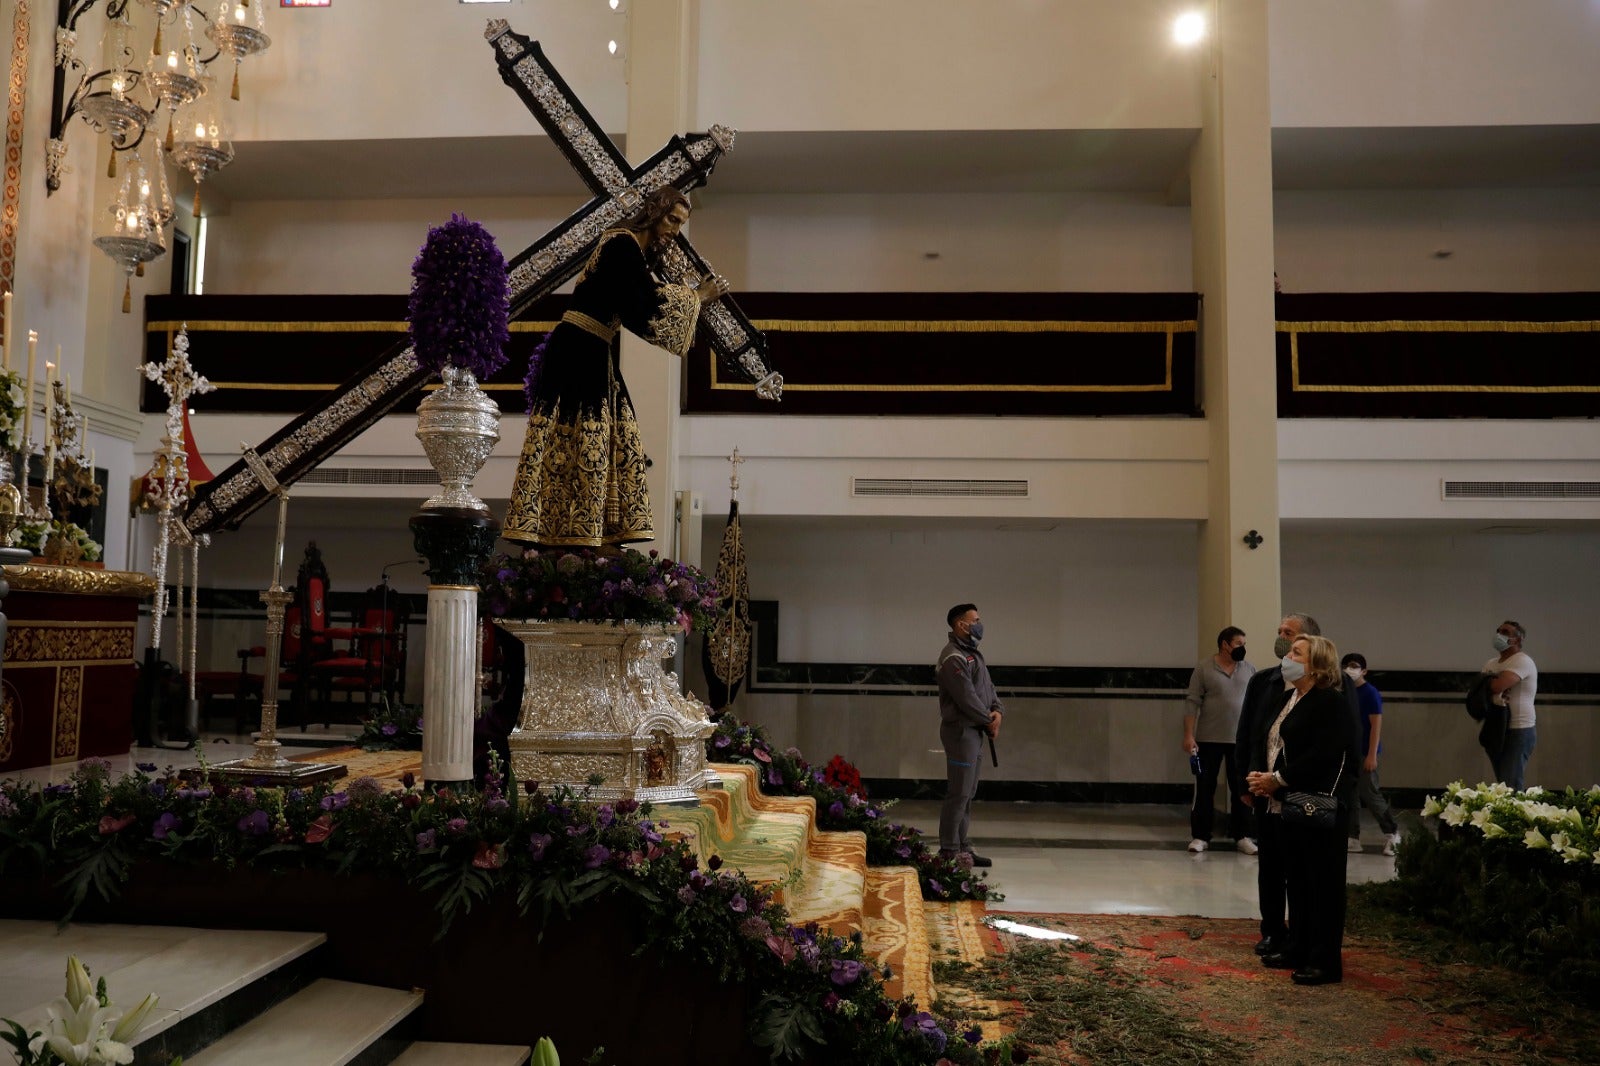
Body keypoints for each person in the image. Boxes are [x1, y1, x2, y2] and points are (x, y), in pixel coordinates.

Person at [503, 187, 730, 548]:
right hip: (579, 347)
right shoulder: (621, 244)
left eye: (681, 224)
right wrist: (697, 297)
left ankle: (591, 524)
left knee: (609, 434)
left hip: (592, 347)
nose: (674, 230)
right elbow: (641, 307)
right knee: (586, 435)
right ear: (654, 212)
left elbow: (640, 297)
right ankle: (574, 525)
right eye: (672, 219)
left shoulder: (630, 252)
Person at [1246, 634, 1361, 986]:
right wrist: (1261, 776)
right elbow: (1273, 741)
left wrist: (1278, 778)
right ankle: (1299, 945)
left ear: (1317, 665)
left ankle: (1324, 961)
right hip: (1289, 804)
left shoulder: (1331, 701)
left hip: (1318, 806)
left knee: (1321, 886)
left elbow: (1324, 754)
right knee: (1297, 881)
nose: (1287, 656)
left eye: (1297, 653)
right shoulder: (1290, 696)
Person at [936, 603, 1003, 868]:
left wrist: (997, 710)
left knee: (968, 791)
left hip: (975, 731)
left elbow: (987, 688)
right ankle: (949, 850)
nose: (979, 624)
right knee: (959, 792)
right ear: (960, 624)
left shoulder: (973, 653)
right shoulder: (953, 657)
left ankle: (963, 848)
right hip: (961, 733)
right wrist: (988, 720)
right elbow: (967, 698)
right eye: (974, 620)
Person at [1182, 626, 1257, 854]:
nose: (1242, 649)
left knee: (1242, 789)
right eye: (1239, 644)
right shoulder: (1204, 667)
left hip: (1240, 741)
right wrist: (1189, 735)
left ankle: (1242, 835)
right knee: (1205, 787)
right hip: (1208, 738)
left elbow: (1255, 704)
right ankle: (1200, 836)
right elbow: (1192, 701)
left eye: (1244, 644)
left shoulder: (1249, 669)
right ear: (1225, 644)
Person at [1340, 652, 1401, 856]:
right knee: (1350, 796)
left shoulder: (1370, 692)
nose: (1350, 668)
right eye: (1346, 665)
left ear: (1364, 670)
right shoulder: (1343, 691)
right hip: (1348, 751)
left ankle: (1392, 833)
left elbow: (1376, 725)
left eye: (1354, 665)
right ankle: (1353, 837)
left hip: (1366, 751)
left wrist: (1372, 755)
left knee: (1370, 794)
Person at [1483, 620, 1538, 791]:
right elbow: (1477, 691)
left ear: (1517, 640)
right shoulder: (1491, 663)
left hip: (1519, 729)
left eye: (1505, 632)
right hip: (1496, 727)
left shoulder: (1522, 661)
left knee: (1511, 784)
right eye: (1498, 630)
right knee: (1502, 784)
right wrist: (1488, 685)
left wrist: (1488, 683)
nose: (1499, 635)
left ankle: (1514, 816)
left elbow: (1497, 686)